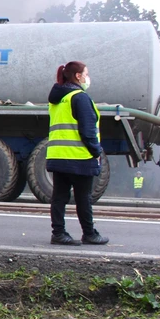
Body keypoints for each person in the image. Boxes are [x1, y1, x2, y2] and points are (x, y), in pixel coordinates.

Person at [46, 61, 109, 245]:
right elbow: (87, 131)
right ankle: (89, 233)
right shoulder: (80, 97)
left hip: (59, 155)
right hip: (79, 156)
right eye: (86, 74)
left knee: (59, 197)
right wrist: (96, 151)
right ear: (78, 76)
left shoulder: (58, 98)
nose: (88, 77)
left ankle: (58, 233)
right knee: (83, 198)